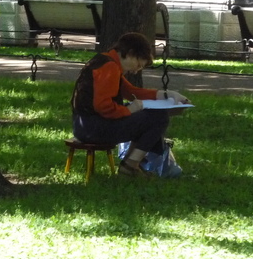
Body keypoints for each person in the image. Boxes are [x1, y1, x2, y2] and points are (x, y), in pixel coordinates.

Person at [70, 32, 190, 177]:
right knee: (159, 118)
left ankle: (132, 164)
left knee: (154, 116)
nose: (135, 71)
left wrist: (168, 95)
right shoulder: (110, 68)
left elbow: (132, 92)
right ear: (130, 53)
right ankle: (130, 166)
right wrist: (130, 109)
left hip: (85, 126)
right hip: (93, 128)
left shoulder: (105, 62)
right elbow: (104, 107)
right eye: (138, 65)